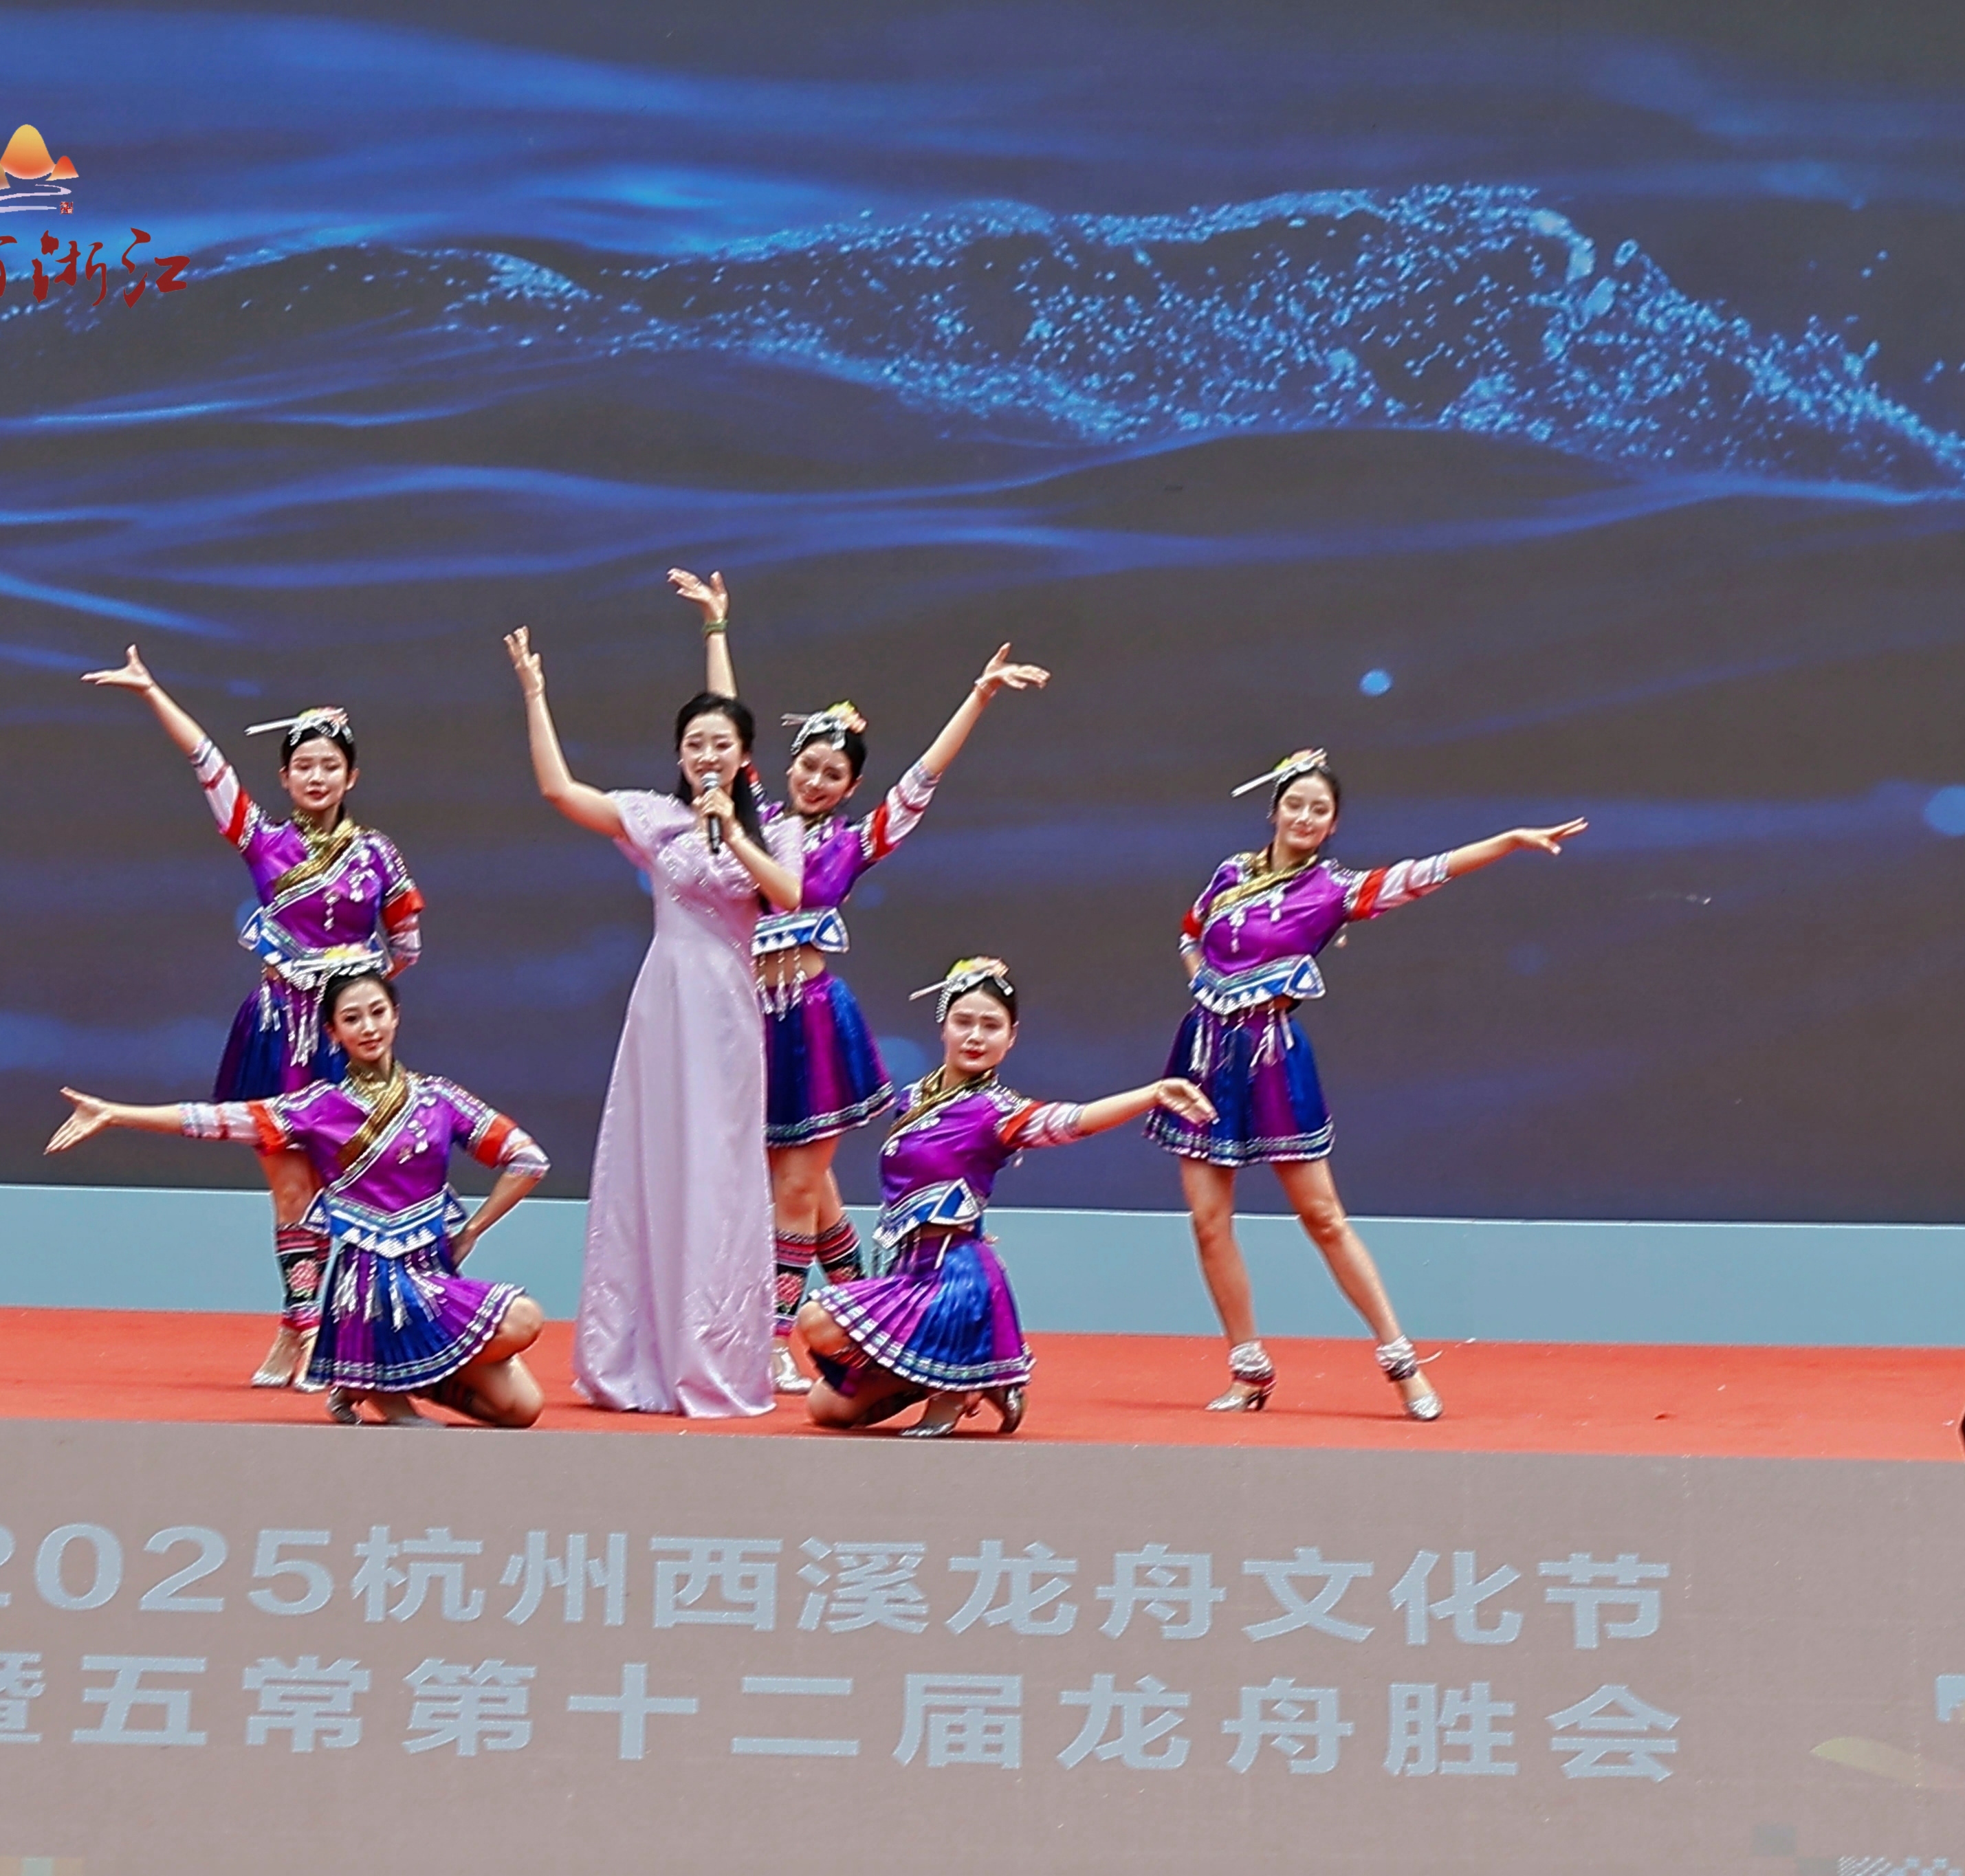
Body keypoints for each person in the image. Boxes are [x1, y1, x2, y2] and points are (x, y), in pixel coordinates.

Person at [669, 566, 1051, 1391]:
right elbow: (728, 728)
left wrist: (979, 695)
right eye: (808, 765)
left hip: (812, 1019)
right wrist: (716, 627)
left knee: (795, 1181)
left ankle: (774, 1336)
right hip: (749, 1016)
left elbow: (924, 778)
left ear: (850, 787)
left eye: (833, 774)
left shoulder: (855, 841)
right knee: (808, 1182)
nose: (816, 779)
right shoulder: (759, 818)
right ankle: (862, 1299)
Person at [1153, 748, 1587, 1419]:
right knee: (1209, 1224)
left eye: (1319, 809)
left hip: (1272, 1057)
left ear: (1332, 825)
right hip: (1204, 1056)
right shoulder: (1230, 873)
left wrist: (1505, 842)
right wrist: (1206, 987)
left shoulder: (1335, 889)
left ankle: (1401, 1361)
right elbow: (1189, 933)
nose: (1304, 816)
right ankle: (1248, 1367)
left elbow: (1425, 873)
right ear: (1274, 810)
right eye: (1295, 804)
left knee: (1323, 1217)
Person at [83, 646, 424, 1390]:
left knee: (353, 1189)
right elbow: (207, 762)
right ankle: (298, 1331)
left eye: (330, 764)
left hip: (346, 1044)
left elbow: (406, 947)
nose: (316, 775)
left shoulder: (379, 856)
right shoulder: (262, 839)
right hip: (275, 1035)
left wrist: (350, 1002)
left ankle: (341, 1336)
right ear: (284, 776)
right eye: (303, 765)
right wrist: (152, 691)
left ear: (352, 775)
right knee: (290, 1189)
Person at [503, 624, 806, 1417]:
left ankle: (713, 1353)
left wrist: (730, 828)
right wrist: (536, 694)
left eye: (721, 743)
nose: (706, 754)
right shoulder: (656, 818)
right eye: (694, 742)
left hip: (727, 1012)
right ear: (678, 752)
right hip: (663, 1005)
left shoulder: (774, 829)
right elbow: (560, 791)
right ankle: (634, 1356)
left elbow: (788, 894)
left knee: (717, 1172)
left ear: (745, 757)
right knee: (652, 1164)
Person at [45, 971, 549, 1428]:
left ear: (396, 1016)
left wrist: (471, 1231)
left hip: (433, 1273)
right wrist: (116, 1113)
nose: (368, 1027)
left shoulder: (439, 1098)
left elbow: (528, 1160)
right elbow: (215, 1120)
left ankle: (376, 1376)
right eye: (352, 1018)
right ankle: (377, 1381)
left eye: (377, 1012)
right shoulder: (318, 1107)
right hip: (370, 1287)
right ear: (333, 1033)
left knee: (521, 1409)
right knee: (523, 1318)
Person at [796, 958, 1214, 1437]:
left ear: (1011, 1037)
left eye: (991, 1026)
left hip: (953, 1284)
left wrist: (1152, 1094)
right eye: (964, 1022)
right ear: (943, 1026)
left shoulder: (997, 1111)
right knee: (825, 1408)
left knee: (817, 1320)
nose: (976, 1036)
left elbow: (1071, 1121)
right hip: (907, 1273)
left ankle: (955, 1381)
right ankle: (965, 1378)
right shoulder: (913, 1099)